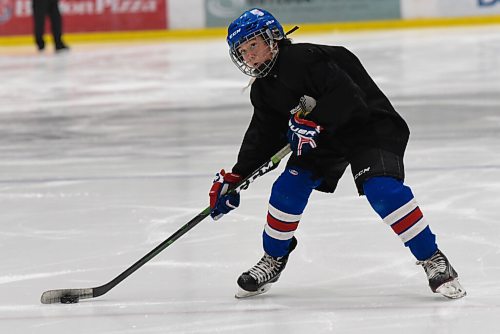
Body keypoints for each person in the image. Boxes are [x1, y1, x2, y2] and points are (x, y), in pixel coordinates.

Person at [208, 8, 466, 300]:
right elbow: (262, 134)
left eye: (253, 45)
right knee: (287, 189)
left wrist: (314, 120)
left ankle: (432, 258)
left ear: (273, 37)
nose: (249, 56)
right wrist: (237, 175)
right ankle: (274, 258)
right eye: (242, 51)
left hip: (368, 125)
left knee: (382, 190)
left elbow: (350, 99)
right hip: (324, 138)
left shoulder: (308, 58)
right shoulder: (264, 90)